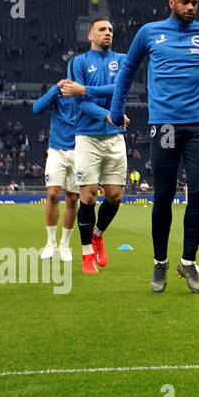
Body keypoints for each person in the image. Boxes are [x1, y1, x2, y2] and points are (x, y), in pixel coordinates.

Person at [109, 0, 199, 294]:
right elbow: (127, 70)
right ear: (171, 2)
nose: (191, 7)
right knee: (163, 196)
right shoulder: (149, 33)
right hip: (164, 126)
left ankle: (188, 262)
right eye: (185, 2)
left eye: (195, 2)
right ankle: (160, 262)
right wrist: (116, 107)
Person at [64, 18, 128, 275]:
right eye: (102, 29)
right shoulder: (78, 62)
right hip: (88, 138)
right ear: (90, 35)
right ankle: (87, 255)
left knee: (115, 196)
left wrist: (85, 89)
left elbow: (120, 88)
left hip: (114, 137)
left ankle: (98, 235)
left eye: (111, 29)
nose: (108, 32)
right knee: (88, 195)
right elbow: (79, 103)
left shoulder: (122, 59)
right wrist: (107, 114)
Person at [32, 73, 95, 263]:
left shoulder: (85, 93)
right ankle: (50, 243)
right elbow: (37, 108)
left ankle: (64, 245)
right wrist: (55, 88)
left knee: (73, 199)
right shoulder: (59, 94)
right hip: (57, 149)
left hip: (79, 149)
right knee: (52, 194)